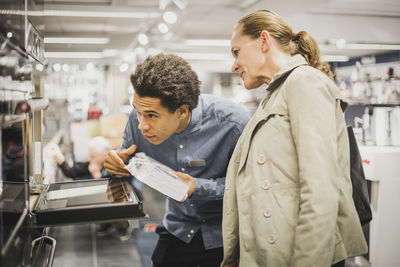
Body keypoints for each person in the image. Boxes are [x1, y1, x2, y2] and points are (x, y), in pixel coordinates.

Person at [221, 10, 368, 267]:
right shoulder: (276, 94)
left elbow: (320, 190)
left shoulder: (305, 83)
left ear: (264, 41)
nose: (233, 65)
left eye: (236, 52)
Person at [104, 53, 250, 267]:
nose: (141, 125)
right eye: (138, 113)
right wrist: (115, 165)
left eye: (152, 116)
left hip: (225, 235)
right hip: (178, 227)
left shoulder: (232, 123)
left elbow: (249, 186)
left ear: (182, 111)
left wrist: (198, 188)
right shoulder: (140, 118)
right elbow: (125, 158)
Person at [48, 136, 135, 241]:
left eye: (93, 156)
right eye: (90, 156)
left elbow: (114, 190)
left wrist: (96, 176)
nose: (90, 159)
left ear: (105, 155)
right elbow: (72, 172)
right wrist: (60, 160)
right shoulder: (94, 162)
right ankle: (107, 223)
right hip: (108, 197)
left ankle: (123, 227)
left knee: (110, 202)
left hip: (122, 198)